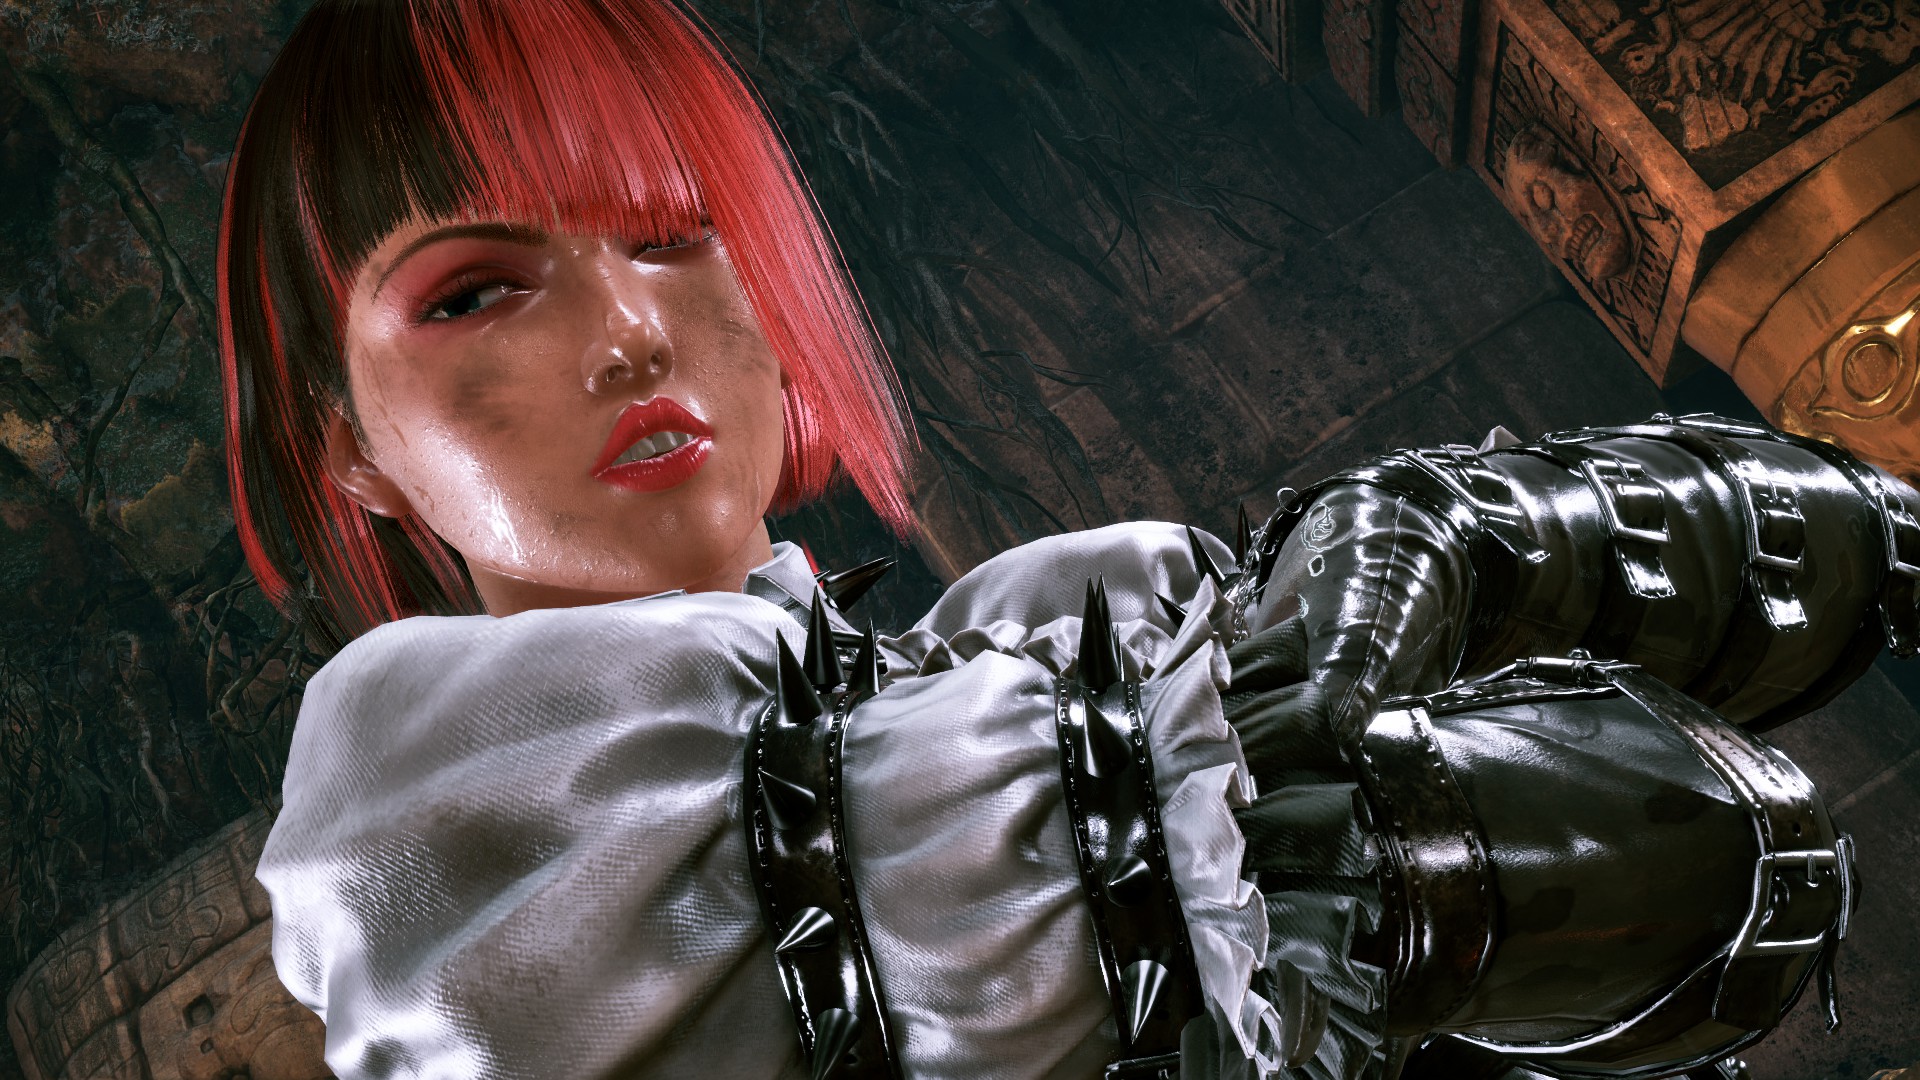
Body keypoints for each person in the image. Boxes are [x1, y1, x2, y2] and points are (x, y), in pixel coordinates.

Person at [217, 1, 1919, 1077]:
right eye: (475, 292)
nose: (631, 332)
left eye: (673, 237)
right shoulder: (418, 838)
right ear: (346, 450)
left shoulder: (997, 659)